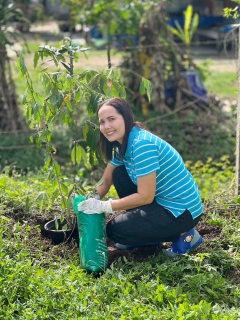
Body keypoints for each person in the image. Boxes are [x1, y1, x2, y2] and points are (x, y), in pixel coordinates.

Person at [78, 98, 203, 257]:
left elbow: (145, 197)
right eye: (102, 122)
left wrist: (104, 206)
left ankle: (185, 236)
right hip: (162, 202)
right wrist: (90, 199)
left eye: (111, 119)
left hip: (182, 211)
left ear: (125, 117)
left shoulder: (142, 145)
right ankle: (146, 235)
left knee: (116, 230)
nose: (106, 126)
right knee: (119, 174)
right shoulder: (124, 143)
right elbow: (107, 179)